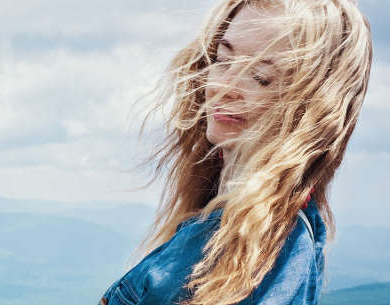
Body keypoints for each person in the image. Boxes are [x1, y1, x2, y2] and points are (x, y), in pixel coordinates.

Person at [99, 0, 372, 304]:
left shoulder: (264, 257)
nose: (224, 86)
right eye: (223, 60)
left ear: (310, 108)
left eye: (260, 77)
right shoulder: (247, 232)